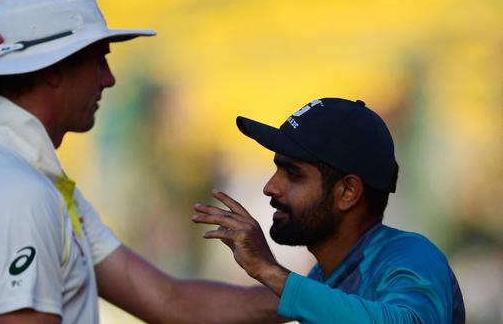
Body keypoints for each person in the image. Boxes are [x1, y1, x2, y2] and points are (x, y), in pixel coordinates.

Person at [0, 0, 281, 324]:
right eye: (98, 61)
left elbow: (170, 301)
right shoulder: (21, 192)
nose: (109, 79)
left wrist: (314, 296)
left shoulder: (6, 171)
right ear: (54, 70)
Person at [192, 98, 466, 323]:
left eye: (293, 174)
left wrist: (269, 271)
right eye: (277, 169)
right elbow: (179, 305)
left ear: (347, 192)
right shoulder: (325, 278)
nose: (270, 187)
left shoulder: (410, 255)